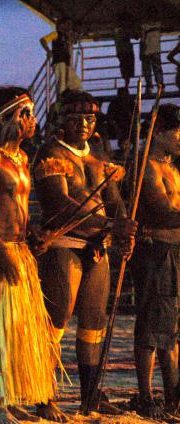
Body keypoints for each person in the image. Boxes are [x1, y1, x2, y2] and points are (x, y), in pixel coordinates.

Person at [33, 90, 137, 414]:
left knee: (94, 320)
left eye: (89, 118)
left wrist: (124, 229)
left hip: (98, 248)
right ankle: (44, 396)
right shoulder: (51, 154)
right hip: (66, 245)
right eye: (75, 118)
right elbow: (61, 206)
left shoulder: (98, 158)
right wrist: (109, 226)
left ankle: (90, 398)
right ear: (61, 121)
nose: (83, 124)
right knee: (57, 319)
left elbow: (116, 203)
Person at [0, 86, 62, 424]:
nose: (32, 119)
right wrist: (1, 252)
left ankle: (16, 395)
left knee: (23, 328)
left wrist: (33, 235)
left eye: (32, 112)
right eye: (24, 113)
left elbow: (17, 207)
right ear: (6, 118)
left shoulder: (21, 158)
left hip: (20, 251)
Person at [130, 103, 180, 420]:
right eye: (177, 132)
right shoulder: (146, 166)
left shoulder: (174, 169)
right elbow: (160, 210)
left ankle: (173, 395)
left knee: (171, 327)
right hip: (156, 251)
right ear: (160, 132)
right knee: (152, 325)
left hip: (176, 251)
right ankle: (147, 396)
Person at [40, 18, 82, 96]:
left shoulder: (66, 36)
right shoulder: (55, 34)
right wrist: (48, 51)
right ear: (62, 25)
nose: (69, 27)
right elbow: (43, 40)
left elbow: (74, 41)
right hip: (59, 62)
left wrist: (75, 36)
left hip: (66, 63)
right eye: (67, 25)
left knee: (76, 84)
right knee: (62, 86)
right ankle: (60, 104)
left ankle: (70, 98)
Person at [140, 12, 164, 95]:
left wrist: (141, 52)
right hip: (155, 50)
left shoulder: (145, 27)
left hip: (147, 51)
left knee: (147, 70)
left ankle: (150, 87)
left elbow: (142, 41)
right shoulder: (158, 25)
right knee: (157, 69)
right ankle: (160, 85)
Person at [114, 22, 135, 89]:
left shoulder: (118, 31)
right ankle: (126, 85)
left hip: (123, 51)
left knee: (125, 68)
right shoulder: (124, 31)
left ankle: (126, 84)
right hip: (126, 51)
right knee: (126, 68)